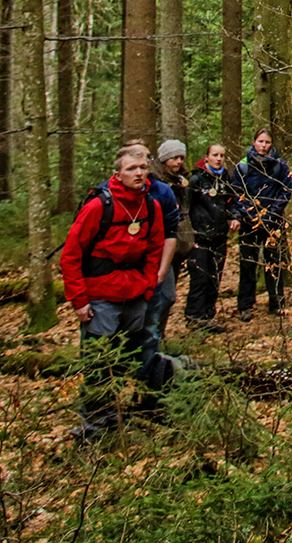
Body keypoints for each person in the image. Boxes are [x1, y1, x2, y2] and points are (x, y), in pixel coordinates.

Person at [60, 146, 166, 438]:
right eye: (132, 169)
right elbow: (70, 255)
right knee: (97, 362)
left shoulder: (151, 207)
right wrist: (79, 300)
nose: (139, 173)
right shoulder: (98, 207)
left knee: (127, 359)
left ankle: (120, 411)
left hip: (135, 296)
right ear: (118, 173)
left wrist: (147, 286)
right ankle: (93, 426)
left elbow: (155, 248)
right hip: (100, 297)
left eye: (143, 168)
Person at [234, 128, 292, 320]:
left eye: (267, 142)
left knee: (274, 263)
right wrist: (251, 214)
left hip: (273, 222)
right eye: (260, 142)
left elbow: (285, 191)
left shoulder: (280, 166)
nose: (263, 146)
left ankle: (277, 303)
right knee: (248, 263)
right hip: (248, 222)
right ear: (254, 142)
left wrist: (271, 214)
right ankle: (245, 305)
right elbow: (236, 192)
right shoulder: (242, 166)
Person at [184, 144, 242, 330]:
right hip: (199, 237)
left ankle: (209, 315)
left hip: (219, 236)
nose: (218, 159)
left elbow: (232, 202)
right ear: (206, 157)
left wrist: (234, 217)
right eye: (215, 155)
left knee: (214, 277)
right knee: (199, 277)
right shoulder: (196, 180)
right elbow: (187, 208)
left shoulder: (226, 179)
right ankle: (194, 317)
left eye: (222, 155)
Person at [148, 140, 189, 339]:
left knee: (167, 295)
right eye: (174, 158)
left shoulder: (182, 181)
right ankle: (152, 334)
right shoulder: (156, 184)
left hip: (178, 242)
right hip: (159, 244)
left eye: (181, 158)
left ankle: (158, 334)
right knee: (165, 295)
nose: (178, 162)